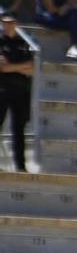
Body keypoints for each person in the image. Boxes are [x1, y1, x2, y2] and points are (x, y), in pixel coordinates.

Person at [0, 12, 34, 173]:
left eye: (10, 22)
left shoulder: (26, 42)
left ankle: (20, 166)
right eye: (4, 23)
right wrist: (22, 66)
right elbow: (2, 67)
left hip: (21, 91)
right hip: (3, 89)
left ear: (16, 23)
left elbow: (33, 68)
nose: (7, 25)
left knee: (19, 130)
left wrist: (12, 67)